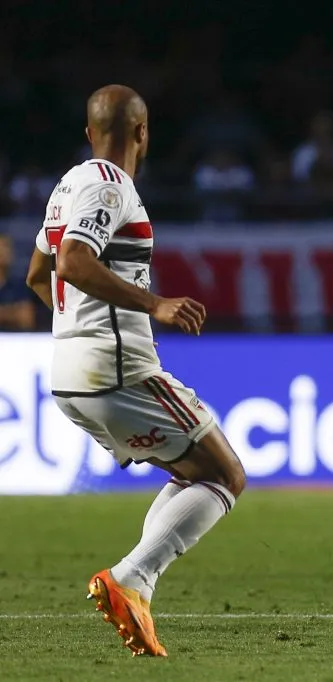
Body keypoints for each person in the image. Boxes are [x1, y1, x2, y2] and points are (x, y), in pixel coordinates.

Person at [24, 85, 247, 656]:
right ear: (143, 134)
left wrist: (78, 334)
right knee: (225, 474)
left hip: (69, 373)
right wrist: (155, 305)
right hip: (115, 369)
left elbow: (37, 276)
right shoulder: (109, 185)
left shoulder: (66, 186)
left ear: (87, 131)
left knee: (191, 472)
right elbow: (74, 261)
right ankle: (131, 578)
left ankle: (137, 583)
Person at [0, 233, 37, 330]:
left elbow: (27, 318)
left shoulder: (18, 286)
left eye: (8, 248)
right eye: (3, 248)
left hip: (14, 341)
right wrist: (13, 312)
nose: (7, 252)